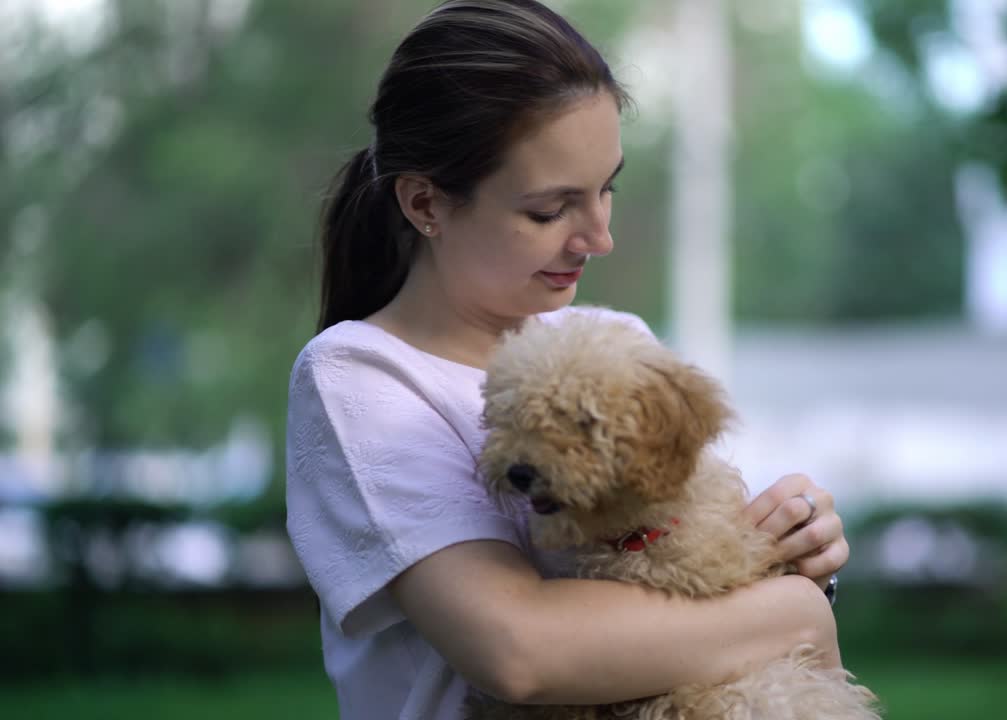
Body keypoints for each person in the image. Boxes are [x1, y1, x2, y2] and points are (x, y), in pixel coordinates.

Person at [285, 1, 851, 718]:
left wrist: (790, 552)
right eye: (551, 210)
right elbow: (521, 654)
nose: (599, 237)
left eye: (606, 189)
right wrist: (792, 615)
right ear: (425, 202)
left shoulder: (611, 334)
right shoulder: (361, 376)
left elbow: (699, 571)